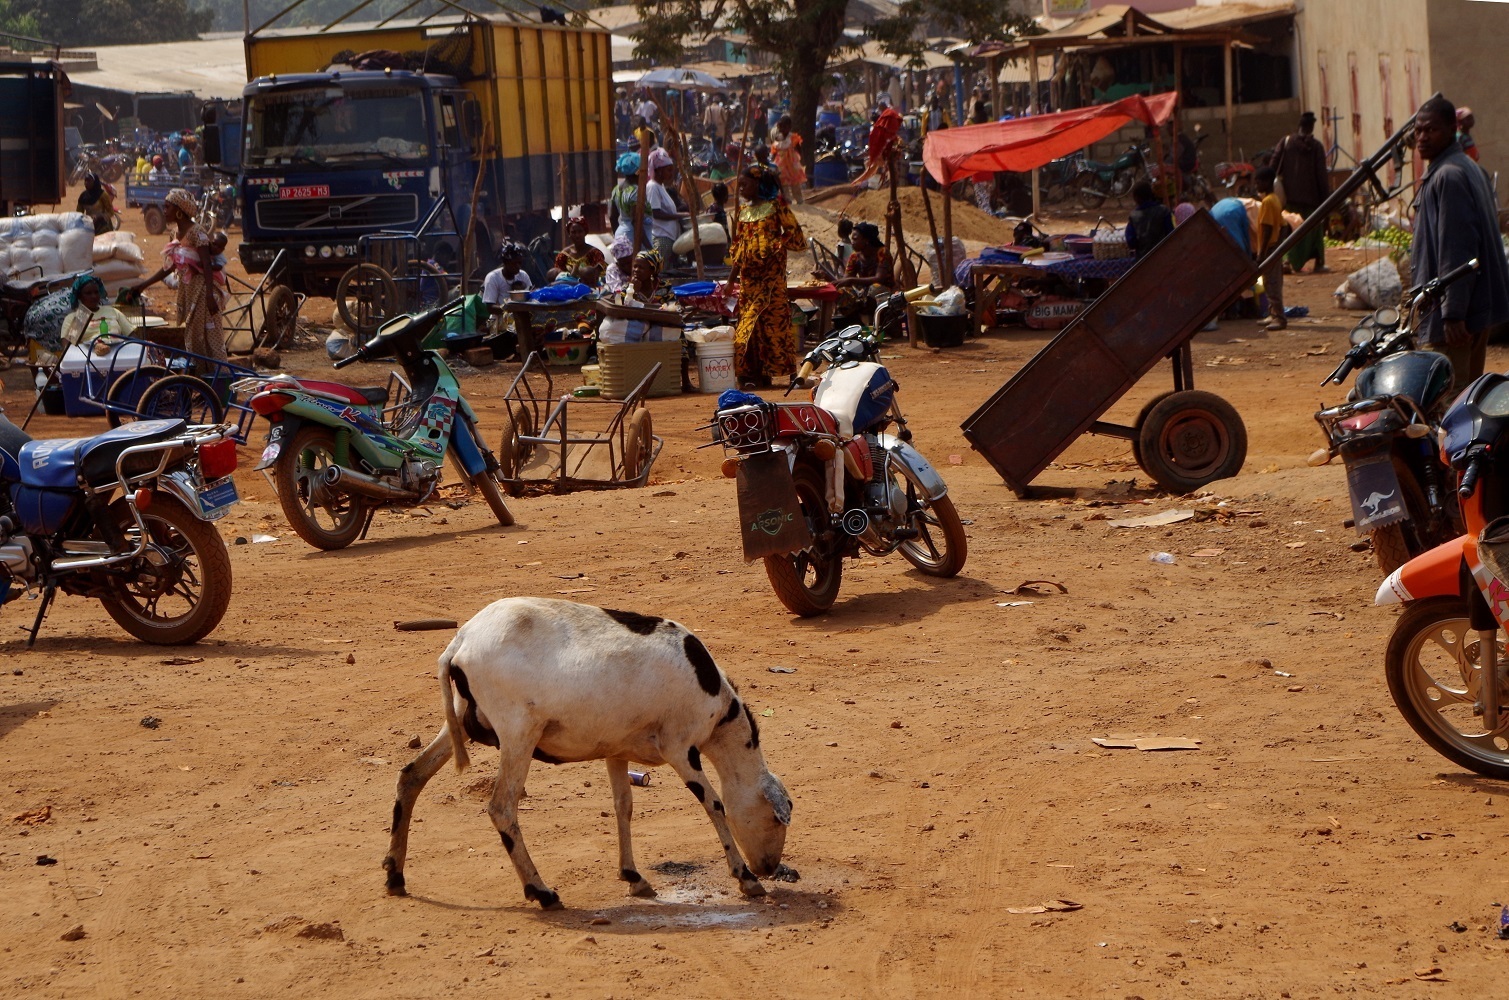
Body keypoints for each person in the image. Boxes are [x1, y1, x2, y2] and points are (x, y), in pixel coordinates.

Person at [1413, 95, 1509, 393]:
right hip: (1473, 308)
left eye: (1432, 130)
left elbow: (1457, 247)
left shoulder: (1449, 176)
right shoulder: (1464, 167)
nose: (1422, 138)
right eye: (1418, 130)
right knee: (1466, 396)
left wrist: (1452, 312)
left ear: (1452, 129)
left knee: (1448, 401)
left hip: (1455, 318)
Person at [724, 163, 806, 388]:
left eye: (745, 184)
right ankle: (752, 375)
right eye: (739, 185)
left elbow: (795, 235)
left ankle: (788, 374)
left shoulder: (776, 206)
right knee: (748, 327)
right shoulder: (741, 212)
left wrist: (775, 245)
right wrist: (731, 279)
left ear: (758, 184)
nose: (741, 189)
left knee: (775, 325)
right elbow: (738, 247)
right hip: (749, 283)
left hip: (772, 281)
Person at [129, 188, 225, 362]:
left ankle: (218, 380)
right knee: (194, 338)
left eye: (167, 207)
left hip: (203, 291)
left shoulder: (197, 233)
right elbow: (170, 266)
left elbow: (207, 266)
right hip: (188, 291)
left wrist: (210, 295)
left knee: (210, 338)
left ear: (180, 211)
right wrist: (143, 286)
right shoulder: (174, 234)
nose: (164, 211)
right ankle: (199, 381)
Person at [1271, 111, 1331, 274]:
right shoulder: (1317, 147)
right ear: (1311, 127)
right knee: (1314, 233)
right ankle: (1318, 262)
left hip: (1290, 197)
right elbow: (1321, 176)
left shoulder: (1286, 142)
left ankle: (1288, 261)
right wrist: (1326, 199)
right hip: (1312, 199)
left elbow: (1273, 166)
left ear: (1299, 126)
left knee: (1291, 230)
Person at [831, 221, 894, 322]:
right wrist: (828, 278)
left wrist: (852, 280)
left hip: (884, 291)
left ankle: (878, 322)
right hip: (863, 292)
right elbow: (846, 280)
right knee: (841, 293)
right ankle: (858, 325)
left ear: (866, 240)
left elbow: (879, 278)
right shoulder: (854, 257)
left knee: (874, 289)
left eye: (855, 239)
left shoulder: (882, 252)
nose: (852, 242)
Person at [60, 274, 135, 351]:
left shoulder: (112, 311)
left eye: (96, 292)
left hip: (117, 353)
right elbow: (67, 348)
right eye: (88, 293)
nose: (94, 296)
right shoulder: (73, 318)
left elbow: (132, 336)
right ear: (79, 296)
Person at [1253, 166, 1286, 331]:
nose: (1256, 185)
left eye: (1258, 181)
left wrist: (1262, 253)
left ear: (1267, 182)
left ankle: (1279, 318)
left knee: (1271, 283)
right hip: (1275, 247)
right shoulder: (1274, 199)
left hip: (1269, 248)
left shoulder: (1267, 202)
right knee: (1271, 282)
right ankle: (1273, 314)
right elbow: (1283, 225)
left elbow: (1266, 228)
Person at [645, 147, 686, 262]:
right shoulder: (653, 187)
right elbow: (656, 213)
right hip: (663, 238)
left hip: (670, 237)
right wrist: (680, 215)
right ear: (658, 170)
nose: (671, 174)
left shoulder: (660, 186)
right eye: (668, 170)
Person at [480, 240, 534, 315]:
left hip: (521, 317)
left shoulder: (523, 275)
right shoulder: (493, 277)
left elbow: (531, 296)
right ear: (505, 263)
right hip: (499, 319)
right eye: (514, 263)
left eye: (520, 263)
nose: (518, 266)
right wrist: (512, 310)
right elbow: (490, 307)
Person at [549, 216, 606, 286]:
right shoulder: (563, 255)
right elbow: (557, 275)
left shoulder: (595, 253)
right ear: (569, 234)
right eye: (573, 232)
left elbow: (596, 276)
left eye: (580, 231)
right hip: (567, 286)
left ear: (585, 232)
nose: (577, 235)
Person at [1124, 179, 1174, 258]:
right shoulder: (1164, 211)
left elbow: (1131, 242)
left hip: (1143, 259)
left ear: (1136, 198)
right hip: (1164, 256)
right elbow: (1171, 233)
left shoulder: (1133, 216)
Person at [768, 114, 805, 205]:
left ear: (789, 127)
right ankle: (787, 200)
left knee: (795, 183)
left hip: (792, 164)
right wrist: (771, 161)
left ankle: (799, 200)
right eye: (780, 127)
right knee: (783, 184)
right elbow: (774, 151)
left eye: (784, 127)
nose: (782, 129)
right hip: (781, 164)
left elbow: (799, 149)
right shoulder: (777, 139)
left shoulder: (793, 138)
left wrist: (801, 160)